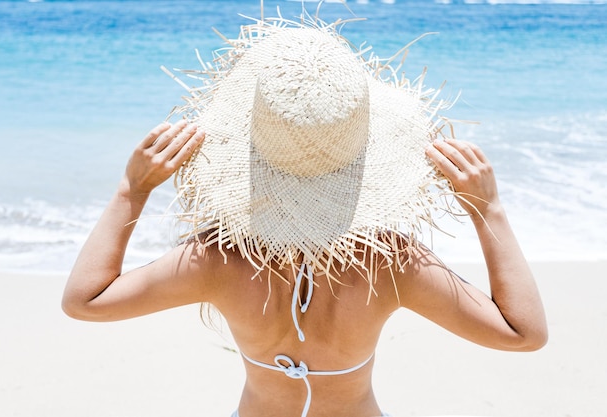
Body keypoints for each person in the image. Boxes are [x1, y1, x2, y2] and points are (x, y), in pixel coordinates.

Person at [62, 12, 547, 417]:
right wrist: (489, 210)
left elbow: (85, 301)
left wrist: (133, 190)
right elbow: (523, 335)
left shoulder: (217, 259)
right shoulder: (389, 263)